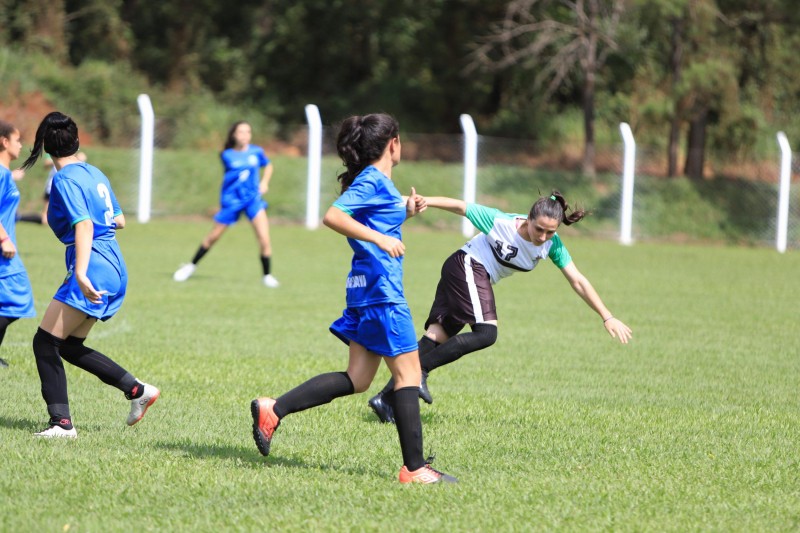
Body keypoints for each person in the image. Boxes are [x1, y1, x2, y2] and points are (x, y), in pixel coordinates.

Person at [250, 113, 457, 484]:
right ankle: (415, 469)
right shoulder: (372, 180)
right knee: (409, 374)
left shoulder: (378, 183)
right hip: (381, 292)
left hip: (364, 290)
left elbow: (374, 219)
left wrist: (405, 212)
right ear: (393, 143)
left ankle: (273, 409)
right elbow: (334, 216)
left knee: (358, 378)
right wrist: (380, 239)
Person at [368, 191, 633, 423]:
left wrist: (607, 316)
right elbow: (460, 206)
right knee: (486, 333)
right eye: (539, 229)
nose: (543, 237)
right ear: (528, 219)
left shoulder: (552, 245)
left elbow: (577, 280)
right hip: (467, 265)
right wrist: (422, 200)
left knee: (437, 337)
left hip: (468, 273)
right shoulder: (500, 222)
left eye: (550, 232)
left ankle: (385, 399)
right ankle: (419, 372)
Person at [19, 111, 160, 438]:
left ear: (45, 148)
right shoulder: (93, 172)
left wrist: (81, 273)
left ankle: (61, 424)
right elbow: (119, 220)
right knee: (67, 345)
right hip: (113, 263)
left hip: (92, 264)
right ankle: (137, 390)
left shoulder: (64, 180)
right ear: (77, 141)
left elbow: (83, 225)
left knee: (44, 342)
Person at [173, 121, 279, 287]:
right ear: (234, 135)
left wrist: (265, 182)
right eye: (241, 132)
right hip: (232, 201)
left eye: (248, 132)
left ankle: (267, 276)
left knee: (264, 238)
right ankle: (190, 266)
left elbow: (268, 165)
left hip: (253, 200)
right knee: (213, 237)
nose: (245, 135)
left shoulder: (257, 152)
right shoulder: (226, 155)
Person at [0, 120, 36, 368]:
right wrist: (4, 239)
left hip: (6, 249)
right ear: (4, 142)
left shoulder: (5, 173)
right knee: (17, 300)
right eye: (17, 140)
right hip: (3, 250)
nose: (21, 145)